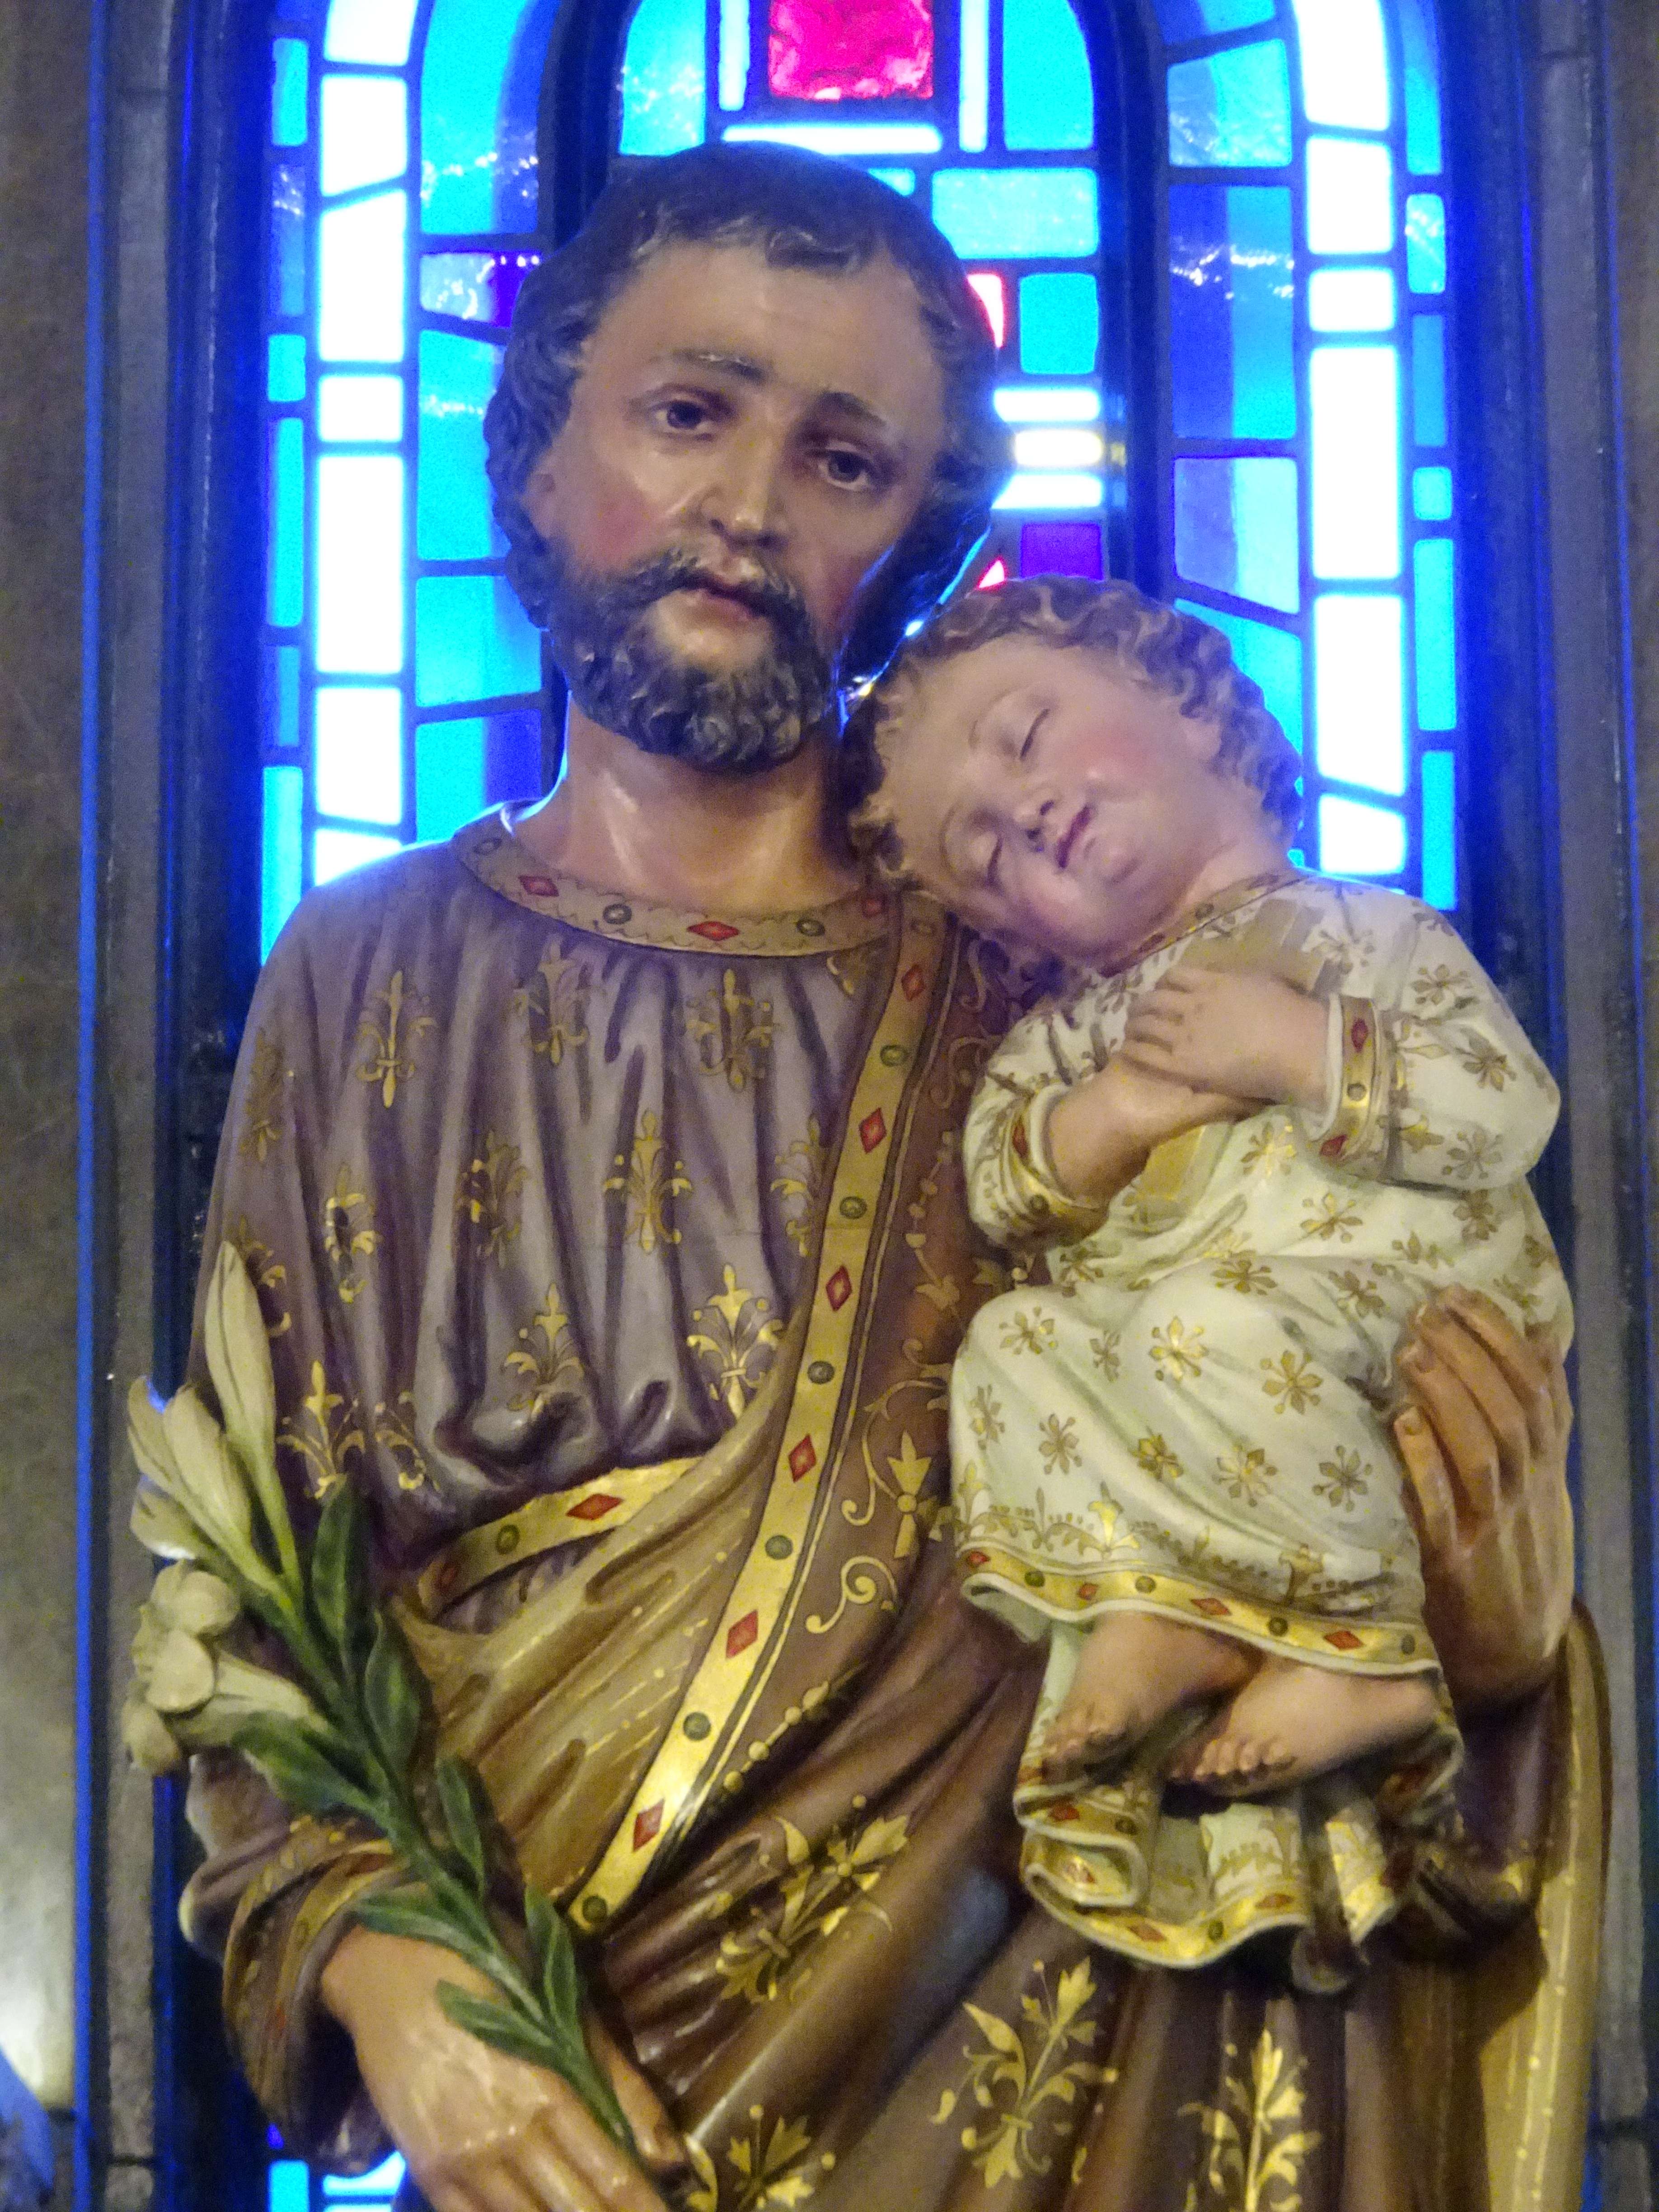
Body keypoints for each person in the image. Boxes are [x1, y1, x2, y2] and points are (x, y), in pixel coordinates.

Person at [169, 145, 1585, 2212]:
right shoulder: (368, 970)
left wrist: (1491, 1652)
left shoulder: (1060, 970)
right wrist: (389, 1967)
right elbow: (252, 1577)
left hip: (1105, 2034)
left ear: (915, 547)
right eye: (688, 412)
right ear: (539, 454)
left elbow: (1358, 1343)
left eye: (845, 462)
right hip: (581, 2067)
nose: (750, 501)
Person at [847, 574, 1573, 1990]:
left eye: (1026, 735)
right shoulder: (1078, 1033)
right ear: (1018, 937)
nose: (1023, 815)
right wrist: (1117, 1112)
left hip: (1396, 1308)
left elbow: (1502, 1108)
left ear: (1188, 701)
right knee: (1014, 1344)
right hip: (1193, 1364)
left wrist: (1297, 1051)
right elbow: (1005, 1187)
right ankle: (1164, 1618)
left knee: (1201, 1325)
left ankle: (1367, 1656)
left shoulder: (1367, 934)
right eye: (983, 852)